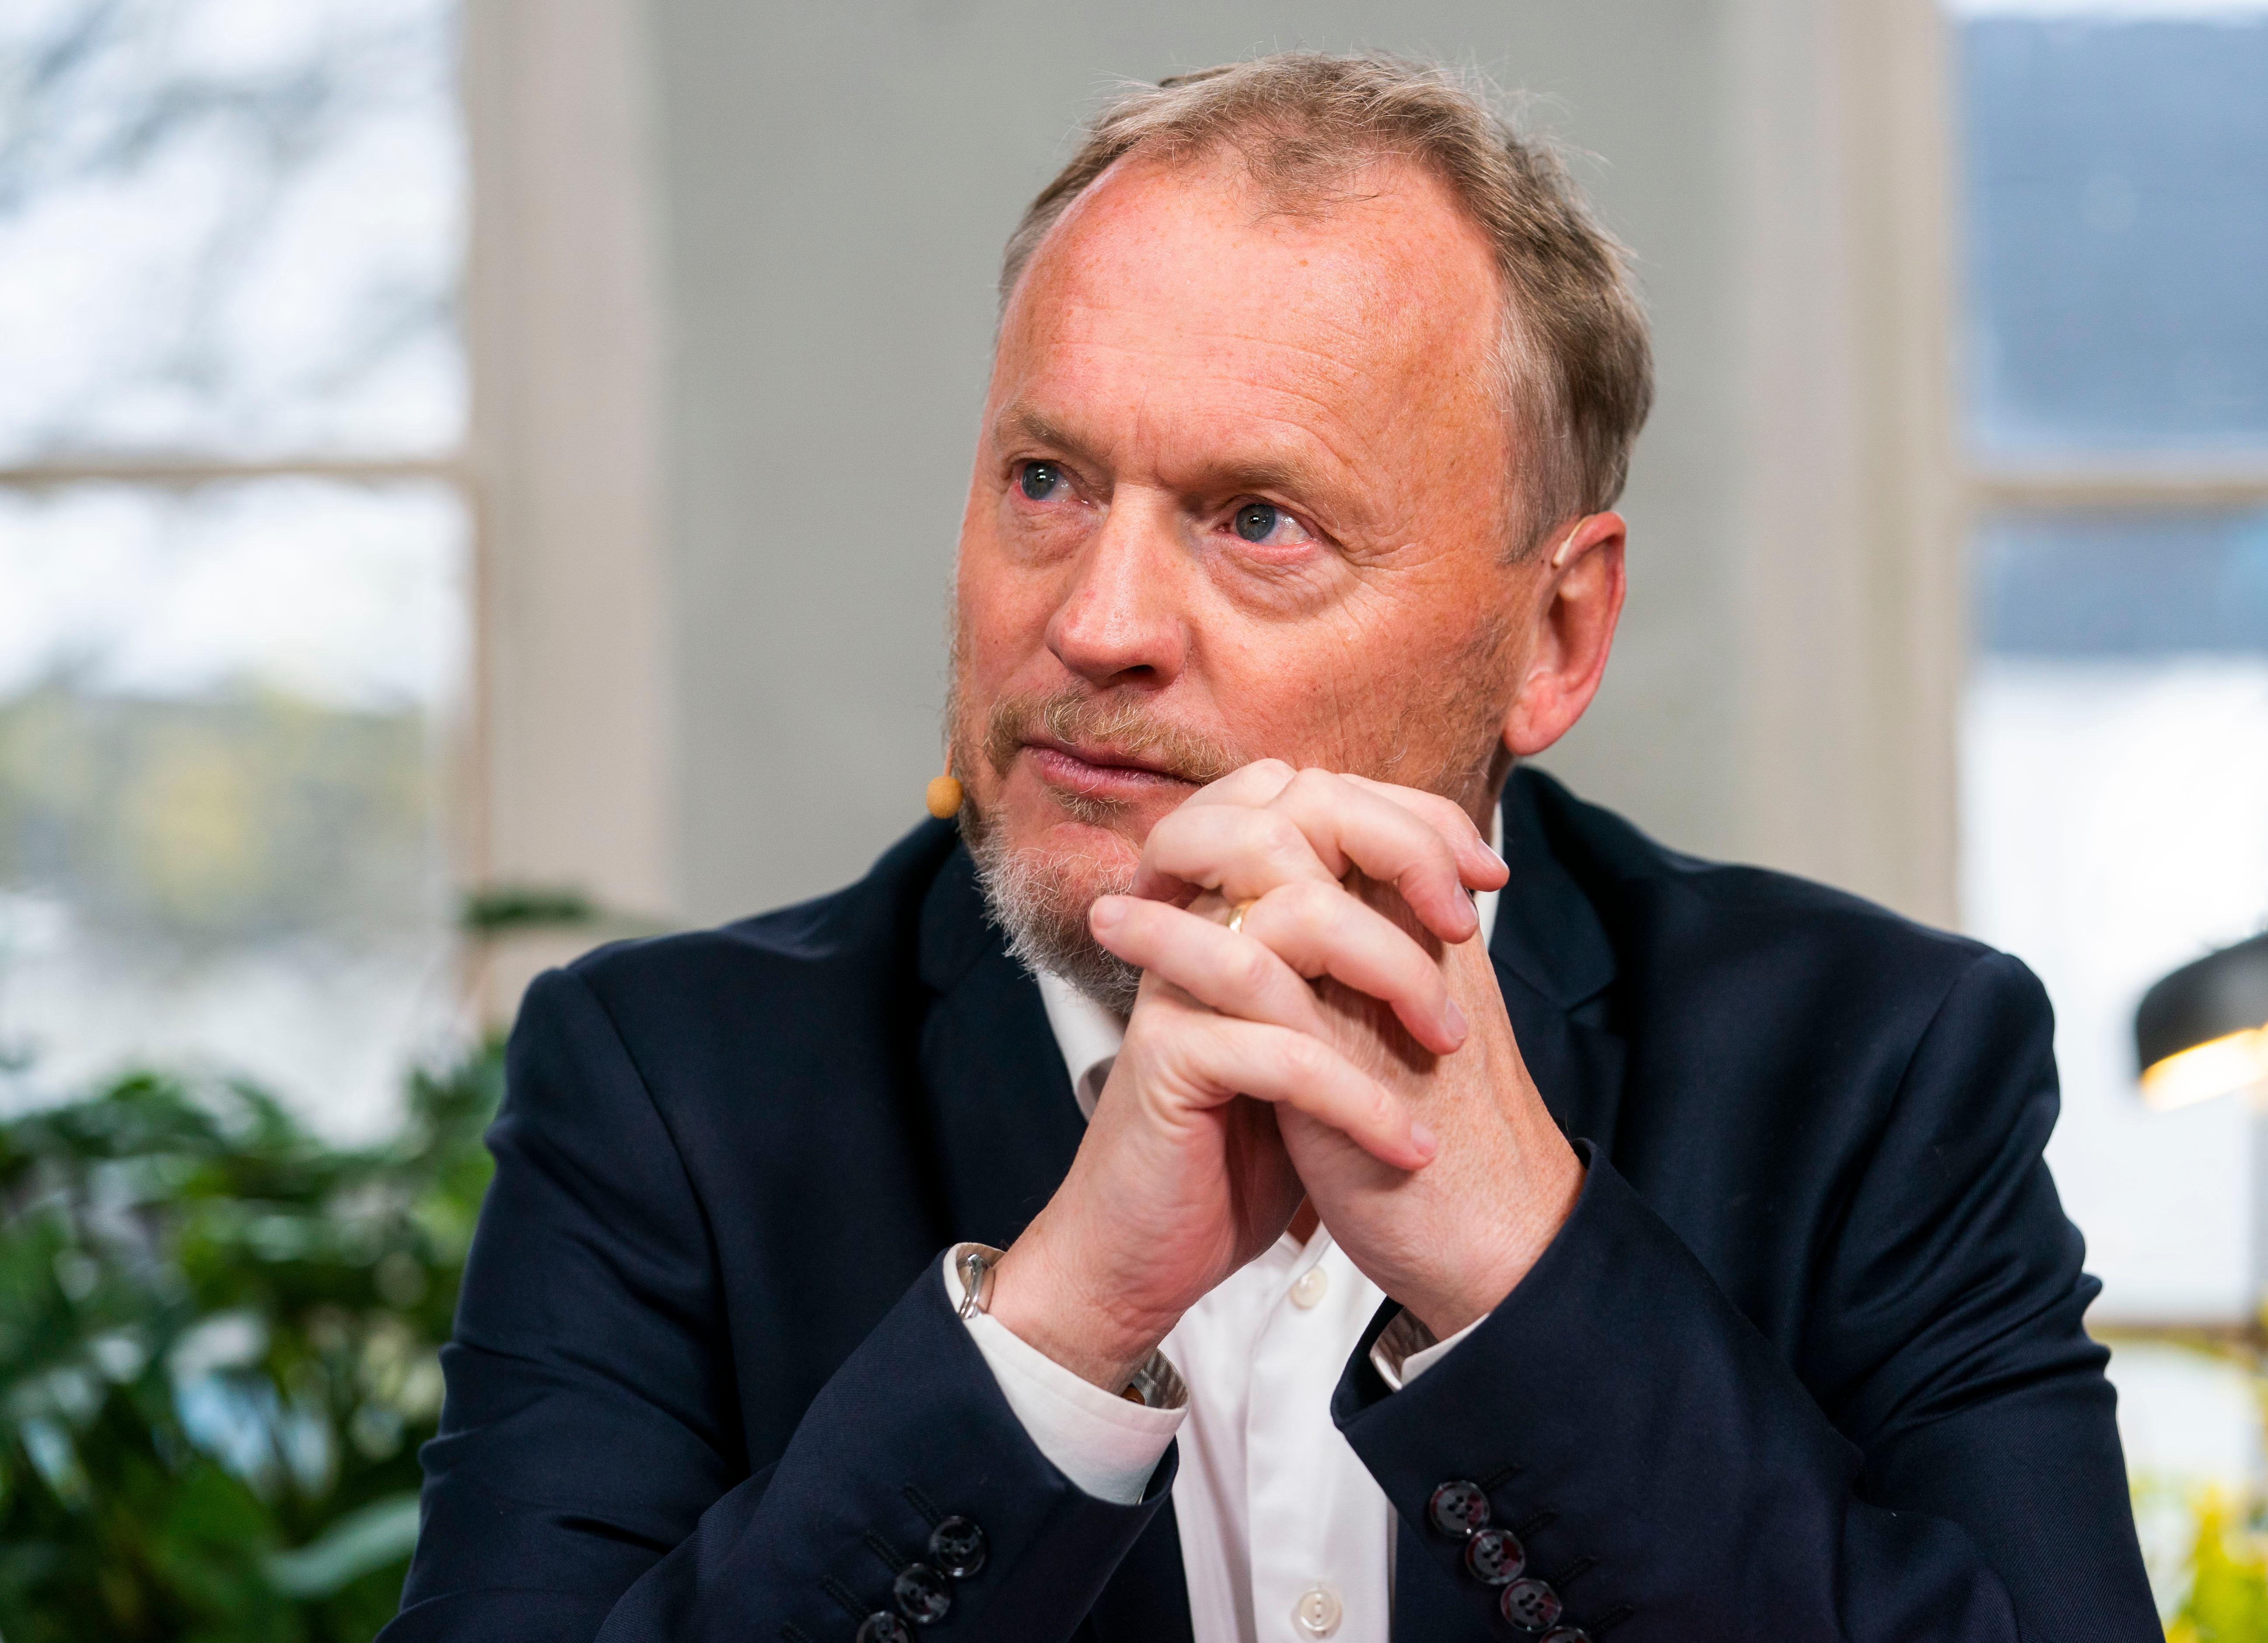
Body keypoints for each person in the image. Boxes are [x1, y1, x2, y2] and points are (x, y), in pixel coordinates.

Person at [385, 52, 2162, 1643]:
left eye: (1254, 520)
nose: (1095, 620)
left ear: (1551, 638)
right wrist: (1057, 1329)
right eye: (1044, 483)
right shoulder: (667, 1090)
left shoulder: (1873, 1067)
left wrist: (1522, 1279)